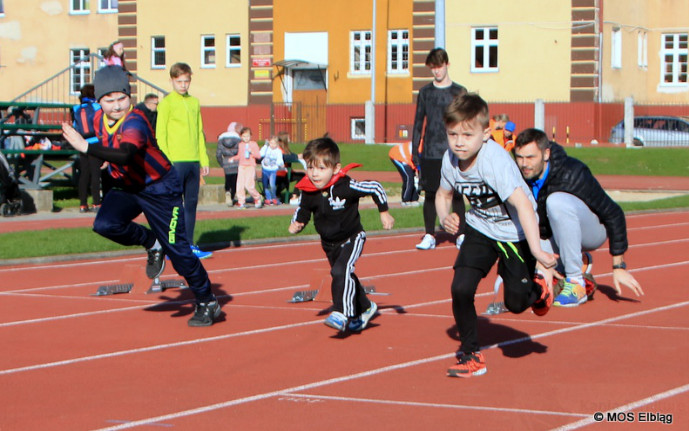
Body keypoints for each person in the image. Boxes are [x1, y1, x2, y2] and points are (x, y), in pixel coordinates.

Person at [61, 66, 221, 327]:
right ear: (98, 101)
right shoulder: (98, 119)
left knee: (179, 252)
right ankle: (151, 242)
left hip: (160, 189)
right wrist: (101, 156)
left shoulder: (135, 120)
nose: (116, 106)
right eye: (108, 101)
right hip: (128, 185)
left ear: (130, 97)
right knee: (104, 224)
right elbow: (110, 147)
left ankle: (206, 300)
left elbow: (125, 153)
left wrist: (87, 148)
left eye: (121, 99)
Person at [435, 93, 557, 377]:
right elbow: (442, 195)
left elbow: (524, 205)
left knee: (515, 304)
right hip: (480, 228)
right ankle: (471, 355)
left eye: (467, 135)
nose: (459, 142)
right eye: (453, 134)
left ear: (486, 134)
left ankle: (540, 288)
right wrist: (445, 217)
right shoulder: (450, 159)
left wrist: (538, 250)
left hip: (514, 233)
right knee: (460, 288)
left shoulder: (495, 161)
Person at [512, 128, 644, 307]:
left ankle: (576, 282)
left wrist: (618, 267)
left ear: (546, 154)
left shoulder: (572, 172)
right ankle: (574, 265)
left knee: (556, 201)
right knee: (522, 283)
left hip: (592, 230)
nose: (524, 164)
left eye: (530, 157)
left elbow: (614, 213)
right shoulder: (515, 175)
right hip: (552, 233)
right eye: (519, 157)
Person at [289, 136, 395, 332]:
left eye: (321, 169)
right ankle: (366, 307)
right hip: (328, 243)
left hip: (352, 237)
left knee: (340, 271)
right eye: (311, 168)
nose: (315, 174)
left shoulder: (345, 186)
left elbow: (375, 187)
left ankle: (341, 313)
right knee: (344, 276)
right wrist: (298, 223)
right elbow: (303, 210)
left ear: (335, 169)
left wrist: (384, 212)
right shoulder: (308, 190)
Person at [412, 48, 467, 250]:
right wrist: (414, 151)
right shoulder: (425, 92)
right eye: (433, 68)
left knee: (458, 193)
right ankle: (429, 234)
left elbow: (466, 122)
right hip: (431, 150)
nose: (436, 71)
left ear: (447, 65)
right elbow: (418, 122)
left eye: (439, 67)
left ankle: (460, 235)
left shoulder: (459, 92)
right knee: (431, 194)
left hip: (455, 150)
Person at [156, 62, 212, 259]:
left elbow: (199, 132)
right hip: (175, 162)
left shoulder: (194, 102)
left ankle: (189, 244)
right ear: (172, 80)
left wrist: (203, 159)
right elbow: (160, 135)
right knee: (173, 206)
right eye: (179, 81)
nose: (183, 85)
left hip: (193, 161)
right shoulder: (166, 103)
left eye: (186, 81)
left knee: (191, 203)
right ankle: (172, 246)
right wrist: (166, 160)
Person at [71, 84, 103, 213]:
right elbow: (101, 124)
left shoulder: (76, 109)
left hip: (81, 142)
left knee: (84, 174)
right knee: (95, 173)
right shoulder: (97, 107)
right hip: (94, 142)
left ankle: (83, 204)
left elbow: (75, 126)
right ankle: (96, 202)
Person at [230, 126, 262, 209]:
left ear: (250, 136)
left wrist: (252, 152)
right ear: (241, 137)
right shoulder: (241, 145)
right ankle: (241, 202)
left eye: (247, 136)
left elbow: (258, 156)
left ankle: (257, 197)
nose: (246, 138)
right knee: (240, 185)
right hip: (241, 166)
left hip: (250, 166)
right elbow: (239, 155)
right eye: (244, 136)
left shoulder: (253, 144)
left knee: (249, 185)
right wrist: (233, 158)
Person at [275, 131, 305, 204]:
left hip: (286, 173)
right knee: (288, 180)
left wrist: (298, 156)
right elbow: (284, 157)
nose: (289, 139)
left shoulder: (285, 148)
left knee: (301, 176)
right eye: (288, 138)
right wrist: (296, 156)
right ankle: (293, 196)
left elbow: (291, 155)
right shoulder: (278, 149)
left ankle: (280, 194)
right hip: (279, 173)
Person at [216, 122, 241, 205]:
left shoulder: (221, 138)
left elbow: (218, 154)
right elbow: (241, 151)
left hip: (226, 161)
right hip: (236, 161)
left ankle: (227, 192)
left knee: (228, 179)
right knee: (235, 180)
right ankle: (232, 196)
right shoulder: (238, 139)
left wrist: (222, 164)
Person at [388, 142, 419, 206]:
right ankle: (405, 200)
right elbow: (415, 160)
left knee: (417, 178)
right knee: (409, 177)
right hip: (398, 156)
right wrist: (416, 169)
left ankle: (414, 199)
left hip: (409, 157)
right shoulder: (421, 147)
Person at [260, 135, 285, 205]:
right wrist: (265, 145)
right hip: (265, 169)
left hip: (273, 170)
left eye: (274, 143)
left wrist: (281, 164)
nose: (272, 145)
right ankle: (268, 198)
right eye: (271, 143)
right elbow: (261, 154)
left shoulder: (278, 151)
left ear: (277, 144)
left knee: (272, 185)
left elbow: (280, 159)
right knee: (265, 185)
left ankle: (274, 197)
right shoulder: (266, 149)